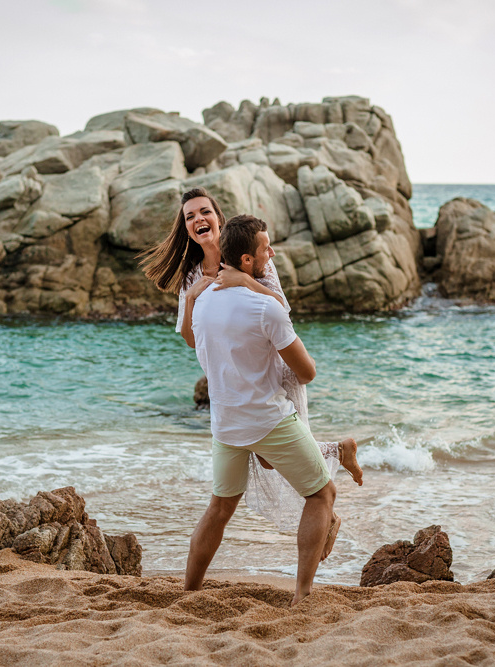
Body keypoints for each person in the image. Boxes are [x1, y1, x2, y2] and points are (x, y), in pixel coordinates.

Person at [139, 188, 363, 544]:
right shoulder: (191, 274)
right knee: (271, 460)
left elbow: (280, 309)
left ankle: (328, 509)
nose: (198, 219)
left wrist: (244, 281)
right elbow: (190, 338)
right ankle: (336, 460)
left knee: (276, 458)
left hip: (268, 367)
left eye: (204, 212)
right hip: (230, 376)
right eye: (189, 217)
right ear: (186, 229)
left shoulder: (251, 259)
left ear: (218, 217)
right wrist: (194, 295)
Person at [183, 214, 335, 605]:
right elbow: (307, 372)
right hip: (267, 420)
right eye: (266, 247)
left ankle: (189, 593)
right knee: (322, 495)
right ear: (248, 260)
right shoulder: (265, 308)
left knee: (218, 509)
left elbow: (201, 350)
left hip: (225, 425)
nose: (272, 253)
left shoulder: (200, 303)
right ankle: (302, 595)